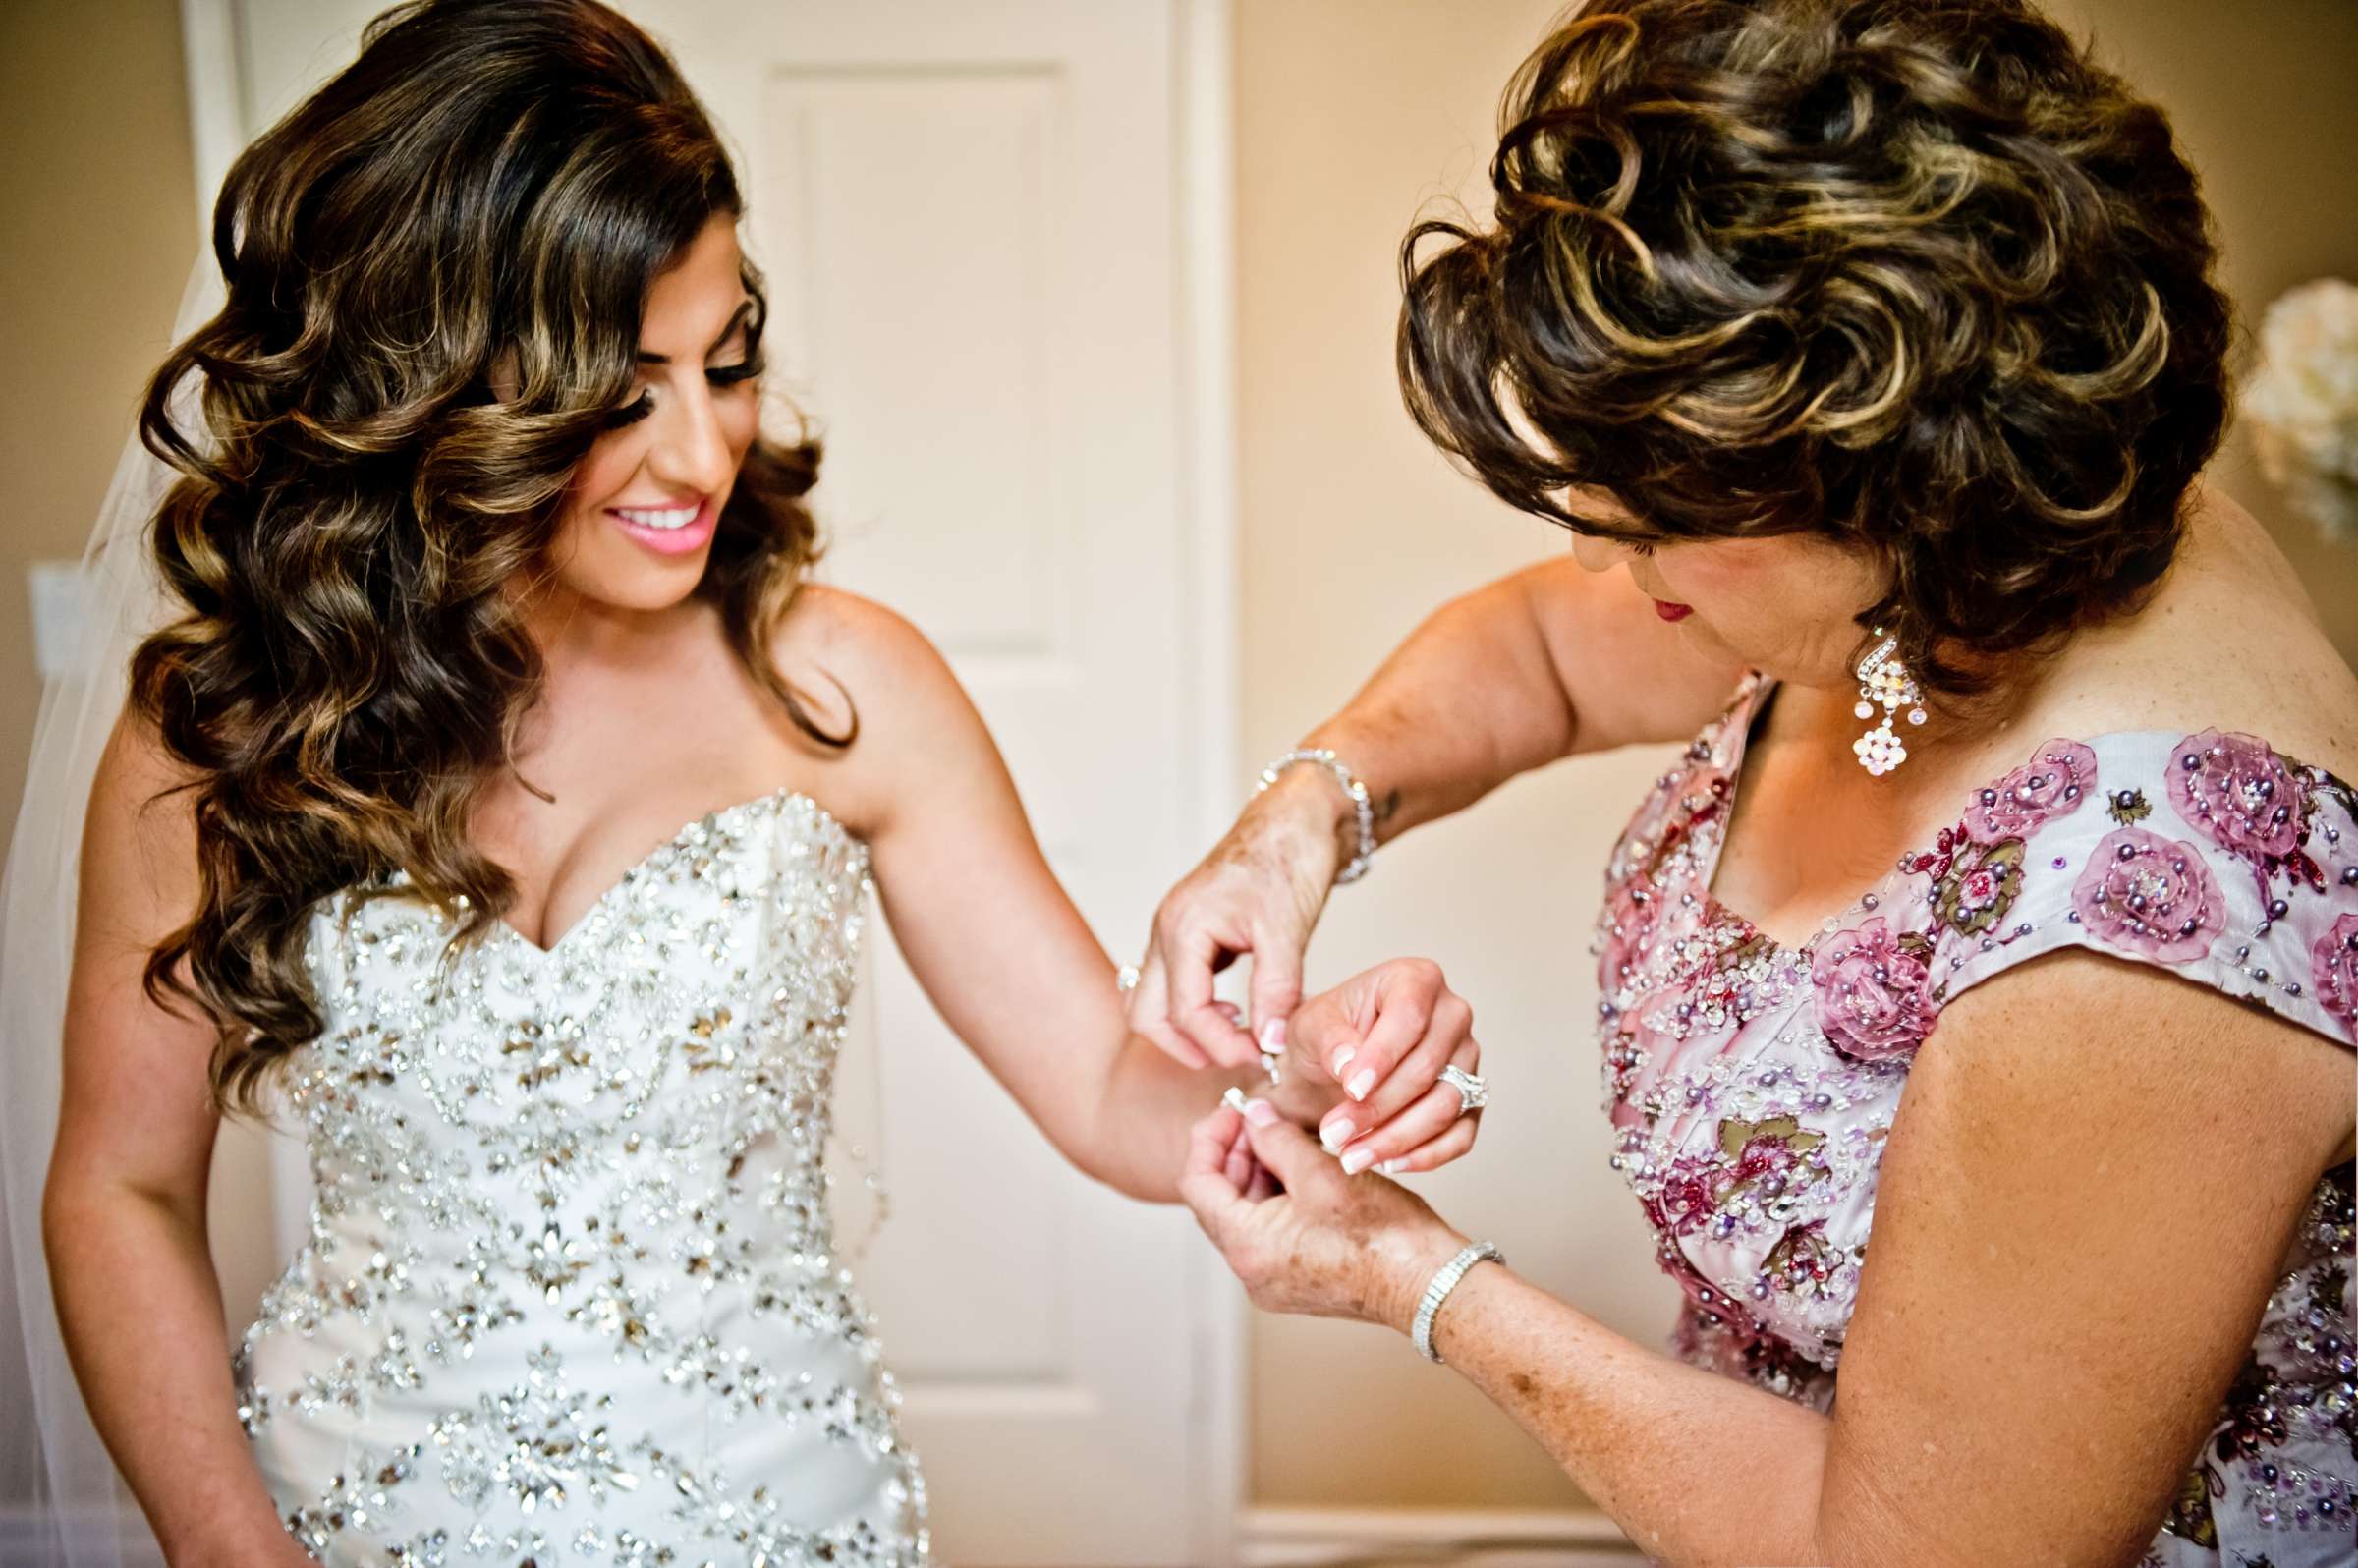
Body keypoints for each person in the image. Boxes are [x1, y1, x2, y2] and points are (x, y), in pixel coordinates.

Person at [1, 3, 1487, 1563]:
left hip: (778, 1517)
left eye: (726, 364)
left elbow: (1115, 1096)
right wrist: (231, 1550)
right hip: (345, 1515)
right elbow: (118, 1189)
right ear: (435, 385)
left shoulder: (843, 686)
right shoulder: (225, 729)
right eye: (626, 390)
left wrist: (1302, 1066)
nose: (704, 452)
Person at [1140, 2, 2358, 1564]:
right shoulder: (1945, 575)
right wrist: (1300, 821)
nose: (1595, 551)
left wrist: (1411, 1277)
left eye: (1653, 518)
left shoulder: (2141, 930)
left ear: (1910, 480)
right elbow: (1548, 653)